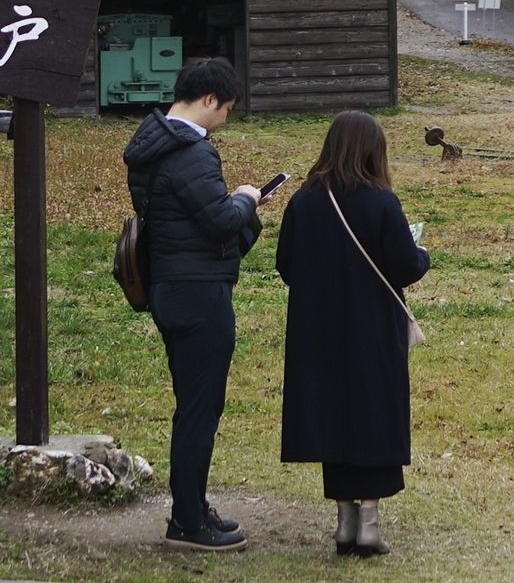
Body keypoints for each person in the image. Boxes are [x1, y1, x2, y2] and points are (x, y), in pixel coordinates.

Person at [122, 56, 266, 550]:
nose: (225, 117)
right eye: (225, 108)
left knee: (192, 405)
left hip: (167, 286)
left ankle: (192, 504)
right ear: (208, 101)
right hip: (199, 293)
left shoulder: (152, 144)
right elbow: (221, 221)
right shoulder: (192, 152)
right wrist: (248, 199)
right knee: (200, 410)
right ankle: (187, 521)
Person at [275, 109, 428, 558]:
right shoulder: (382, 202)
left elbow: (286, 264)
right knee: (374, 418)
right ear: (372, 152)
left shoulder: (304, 200)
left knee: (333, 417)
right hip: (372, 331)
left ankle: (343, 522)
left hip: (316, 331)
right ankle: (368, 525)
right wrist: (422, 255)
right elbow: (404, 265)